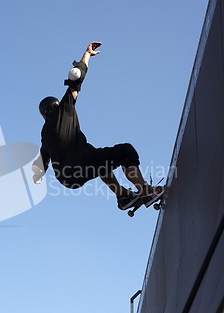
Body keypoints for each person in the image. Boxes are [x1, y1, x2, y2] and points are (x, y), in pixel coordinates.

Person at [32, 41, 163, 210]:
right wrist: (87, 54)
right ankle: (145, 191)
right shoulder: (64, 108)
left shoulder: (45, 135)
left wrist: (37, 175)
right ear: (56, 105)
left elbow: (41, 161)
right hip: (80, 162)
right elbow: (76, 78)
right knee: (126, 151)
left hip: (66, 178)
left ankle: (122, 196)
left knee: (101, 162)